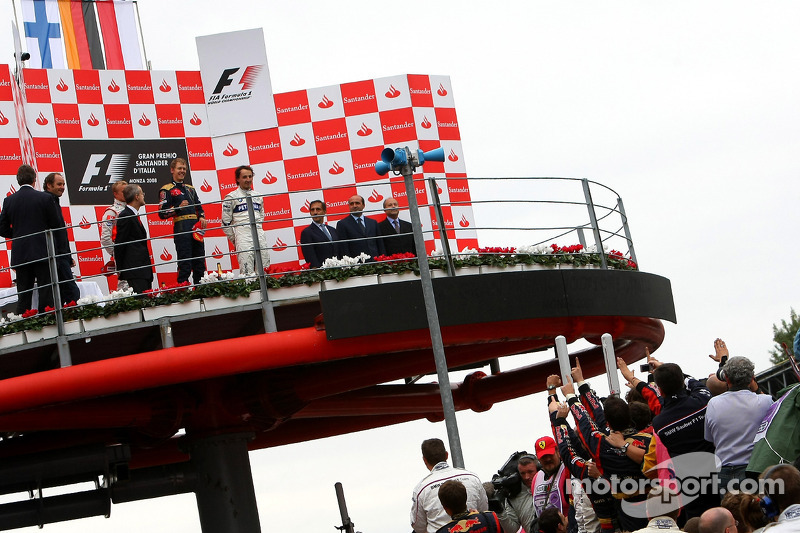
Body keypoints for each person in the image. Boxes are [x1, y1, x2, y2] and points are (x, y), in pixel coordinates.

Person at [705, 356, 774, 492]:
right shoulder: (765, 401)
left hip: (723, 471)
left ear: (727, 379)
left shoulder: (713, 404)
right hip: (753, 469)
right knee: (757, 512)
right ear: (752, 378)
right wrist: (757, 388)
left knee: (729, 513)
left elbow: (710, 439)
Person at [0, 164, 61, 314]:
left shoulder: (9, 200)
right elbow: (56, 224)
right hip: (42, 251)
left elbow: (2, 228)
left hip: (21, 254)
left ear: (18, 180)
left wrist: (19, 233)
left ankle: (24, 328)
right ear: (35, 179)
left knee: (24, 295)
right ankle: (46, 324)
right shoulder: (45, 198)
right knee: (46, 292)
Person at [411, 438, 489, 533]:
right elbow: (484, 510)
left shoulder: (421, 489)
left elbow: (418, 527)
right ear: (446, 455)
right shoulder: (472, 478)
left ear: (425, 460)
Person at [158, 158, 206, 284]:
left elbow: (199, 207)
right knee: (185, 262)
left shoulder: (191, 188)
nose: (182, 171)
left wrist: (201, 217)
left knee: (200, 262)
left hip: (196, 228)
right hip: (181, 228)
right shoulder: (166, 189)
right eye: (179, 168)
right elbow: (162, 213)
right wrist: (178, 208)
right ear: (172, 170)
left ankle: (200, 289)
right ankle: (183, 290)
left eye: (184, 169)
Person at [221, 165, 270, 276]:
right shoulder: (231, 197)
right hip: (243, 235)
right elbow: (225, 223)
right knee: (247, 272)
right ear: (238, 179)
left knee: (264, 269)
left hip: (259, 233)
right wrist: (236, 239)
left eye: (250, 176)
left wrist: (258, 227)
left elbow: (261, 215)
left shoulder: (258, 196)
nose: (248, 180)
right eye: (244, 177)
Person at [42, 172, 80, 305]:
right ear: (49, 185)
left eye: (63, 184)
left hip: (61, 256)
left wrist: (68, 257)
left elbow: (61, 233)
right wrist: (62, 257)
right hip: (56, 256)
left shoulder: (54, 201)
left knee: (67, 292)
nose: (62, 187)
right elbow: (55, 232)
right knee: (71, 292)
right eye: (59, 184)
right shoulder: (47, 201)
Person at [114, 185, 153, 294]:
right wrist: (121, 269)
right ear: (136, 197)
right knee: (141, 302)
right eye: (142, 194)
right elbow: (119, 244)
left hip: (142, 270)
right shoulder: (125, 216)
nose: (143, 196)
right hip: (135, 270)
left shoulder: (133, 215)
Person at [435, 480, 502, 533]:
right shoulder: (490, 518)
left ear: (445, 507)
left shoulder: (443, 531)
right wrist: (480, 515)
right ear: (466, 498)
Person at [531, 435, 570, 520]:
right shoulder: (536, 478)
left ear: (557, 451)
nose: (548, 459)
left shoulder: (567, 473)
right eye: (543, 456)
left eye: (550, 454)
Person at [497, 454, 538, 533]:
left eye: (530, 472)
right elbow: (512, 529)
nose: (527, 477)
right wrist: (500, 512)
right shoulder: (513, 496)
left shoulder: (551, 482)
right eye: (523, 473)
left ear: (538, 469)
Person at [299, 200, 342, 268]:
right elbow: (310, 257)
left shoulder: (332, 230)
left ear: (324, 212)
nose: (315, 212)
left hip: (339, 270)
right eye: (312, 210)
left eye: (318, 209)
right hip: (323, 274)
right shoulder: (306, 232)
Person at [100, 180, 128, 263]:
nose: (127, 194)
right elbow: (105, 238)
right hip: (123, 256)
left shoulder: (131, 209)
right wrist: (116, 253)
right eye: (123, 192)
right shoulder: (112, 211)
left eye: (128, 191)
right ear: (115, 194)